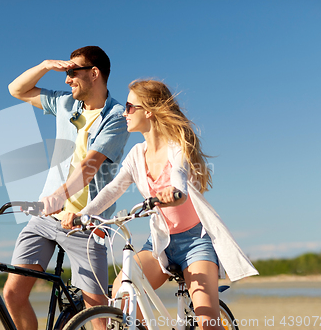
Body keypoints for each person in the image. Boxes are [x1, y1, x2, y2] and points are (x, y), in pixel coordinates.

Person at [62, 79, 258, 330]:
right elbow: (113, 190)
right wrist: (82, 214)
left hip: (195, 241)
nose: (125, 112)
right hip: (159, 243)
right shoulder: (136, 154)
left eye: (130, 107)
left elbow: (179, 176)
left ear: (149, 111)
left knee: (207, 319)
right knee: (124, 297)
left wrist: (175, 192)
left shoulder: (177, 146)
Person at [3, 46, 129, 330]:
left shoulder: (117, 117)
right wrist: (45, 64)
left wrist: (59, 196)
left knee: (97, 314)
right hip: (46, 219)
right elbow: (16, 90)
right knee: (12, 293)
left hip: (86, 225)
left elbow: (90, 166)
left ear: (94, 73)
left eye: (73, 72)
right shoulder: (65, 104)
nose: (67, 79)